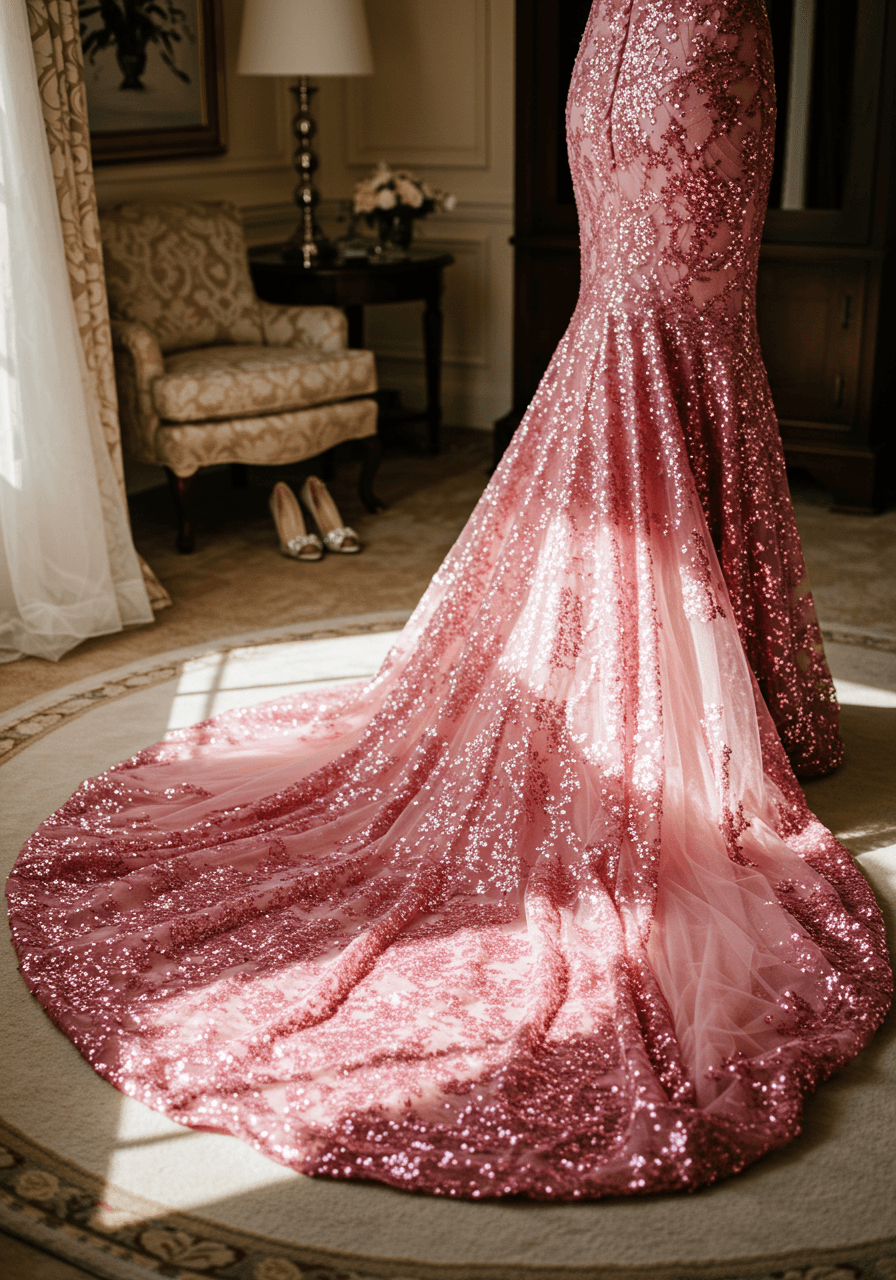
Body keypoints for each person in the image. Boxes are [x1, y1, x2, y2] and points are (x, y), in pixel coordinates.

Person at [7, 0, 891, 1200]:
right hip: (667, 45)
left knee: (680, 325)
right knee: (649, 322)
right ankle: (670, 684)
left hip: (664, 46)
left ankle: (727, 681)